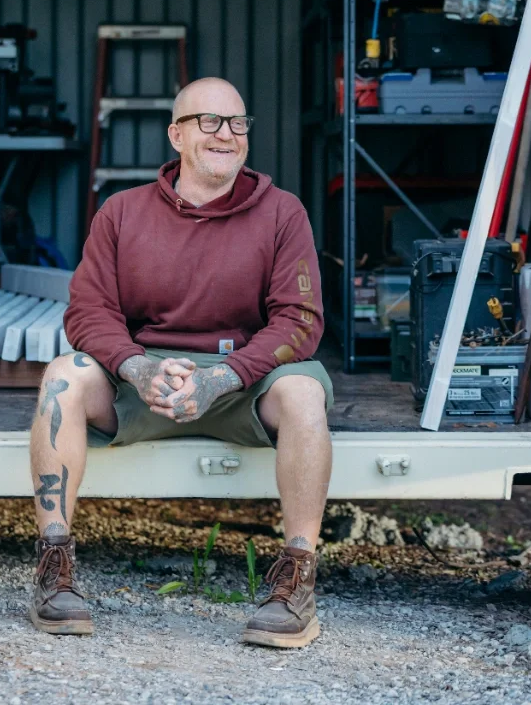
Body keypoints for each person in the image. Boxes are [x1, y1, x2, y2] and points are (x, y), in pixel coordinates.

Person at [28, 77, 332, 648]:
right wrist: (136, 367)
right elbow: (88, 312)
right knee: (61, 378)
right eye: (208, 121)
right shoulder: (121, 213)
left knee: (304, 394)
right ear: (175, 134)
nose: (226, 134)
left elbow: (300, 320)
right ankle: (54, 566)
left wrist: (225, 376)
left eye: (237, 123)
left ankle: (296, 582)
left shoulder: (282, 212)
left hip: (244, 376)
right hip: (145, 375)